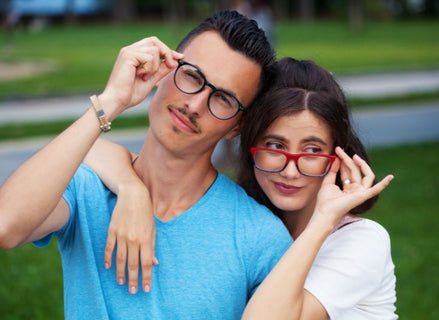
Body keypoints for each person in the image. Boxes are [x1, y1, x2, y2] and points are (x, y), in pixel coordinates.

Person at [0, 10, 292, 319]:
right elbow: (6, 225)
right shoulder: (87, 188)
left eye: (222, 99)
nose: (194, 105)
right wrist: (111, 101)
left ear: (237, 126)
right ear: (166, 69)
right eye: (192, 76)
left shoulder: (259, 236)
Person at [88, 57, 397, 319]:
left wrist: (323, 220)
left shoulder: (362, 242)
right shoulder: (251, 222)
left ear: (338, 156)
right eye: (275, 145)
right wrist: (132, 189)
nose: (290, 171)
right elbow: (92, 152)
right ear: (249, 145)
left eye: (312, 151)